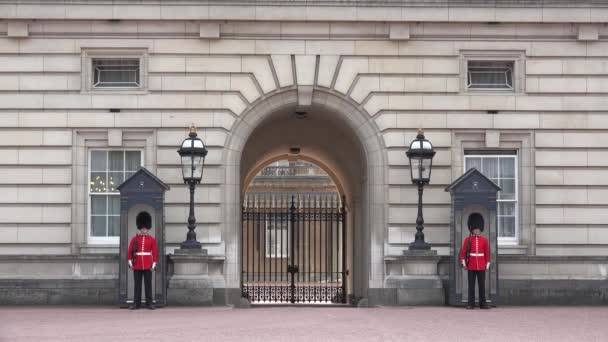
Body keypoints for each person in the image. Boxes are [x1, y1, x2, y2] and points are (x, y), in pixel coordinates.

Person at [127, 211, 158, 310]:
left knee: (148, 285)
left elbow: (155, 253)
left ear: (148, 228)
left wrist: (153, 265)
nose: (144, 230)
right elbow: (130, 252)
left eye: (145, 228)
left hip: (148, 264)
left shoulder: (152, 240)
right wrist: (130, 263)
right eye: (142, 228)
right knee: (137, 285)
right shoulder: (134, 239)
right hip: (137, 265)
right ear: (140, 228)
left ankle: (149, 303)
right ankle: (136, 303)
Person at [459, 213, 491, 309]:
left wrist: (487, 265)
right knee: (471, 286)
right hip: (471, 265)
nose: (477, 230)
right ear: (472, 229)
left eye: (478, 228)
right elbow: (463, 253)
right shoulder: (467, 240)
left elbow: (487, 253)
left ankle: (483, 303)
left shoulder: (484, 240)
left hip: (481, 265)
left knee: (482, 285)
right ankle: (470, 303)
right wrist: (464, 264)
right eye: (475, 228)